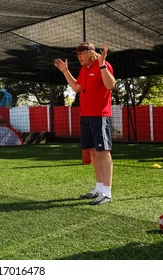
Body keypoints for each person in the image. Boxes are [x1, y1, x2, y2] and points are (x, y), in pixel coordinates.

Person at [54, 42, 116, 205]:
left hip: (100, 116)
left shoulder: (103, 64)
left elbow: (111, 85)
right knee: (94, 152)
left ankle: (107, 193)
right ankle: (99, 188)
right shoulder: (84, 69)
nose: (79, 56)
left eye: (82, 53)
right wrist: (65, 71)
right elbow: (76, 87)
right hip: (86, 116)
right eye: (77, 53)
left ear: (91, 52)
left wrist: (102, 65)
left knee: (103, 152)